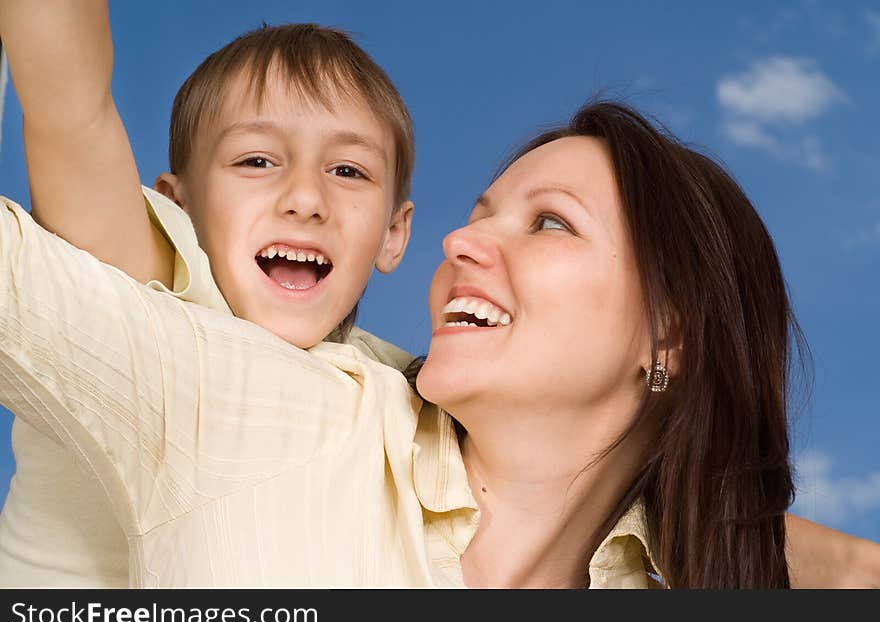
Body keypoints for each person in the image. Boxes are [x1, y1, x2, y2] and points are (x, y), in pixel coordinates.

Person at [2, 93, 879, 586]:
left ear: (670, 331)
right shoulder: (282, 416)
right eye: (475, 215)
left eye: (549, 224)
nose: (459, 244)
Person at [0, 1, 414, 586]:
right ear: (177, 205)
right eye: (256, 160)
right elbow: (70, 110)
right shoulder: (150, 288)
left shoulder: (386, 387)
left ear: (394, 233)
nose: (305, 197)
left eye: (348, 170)